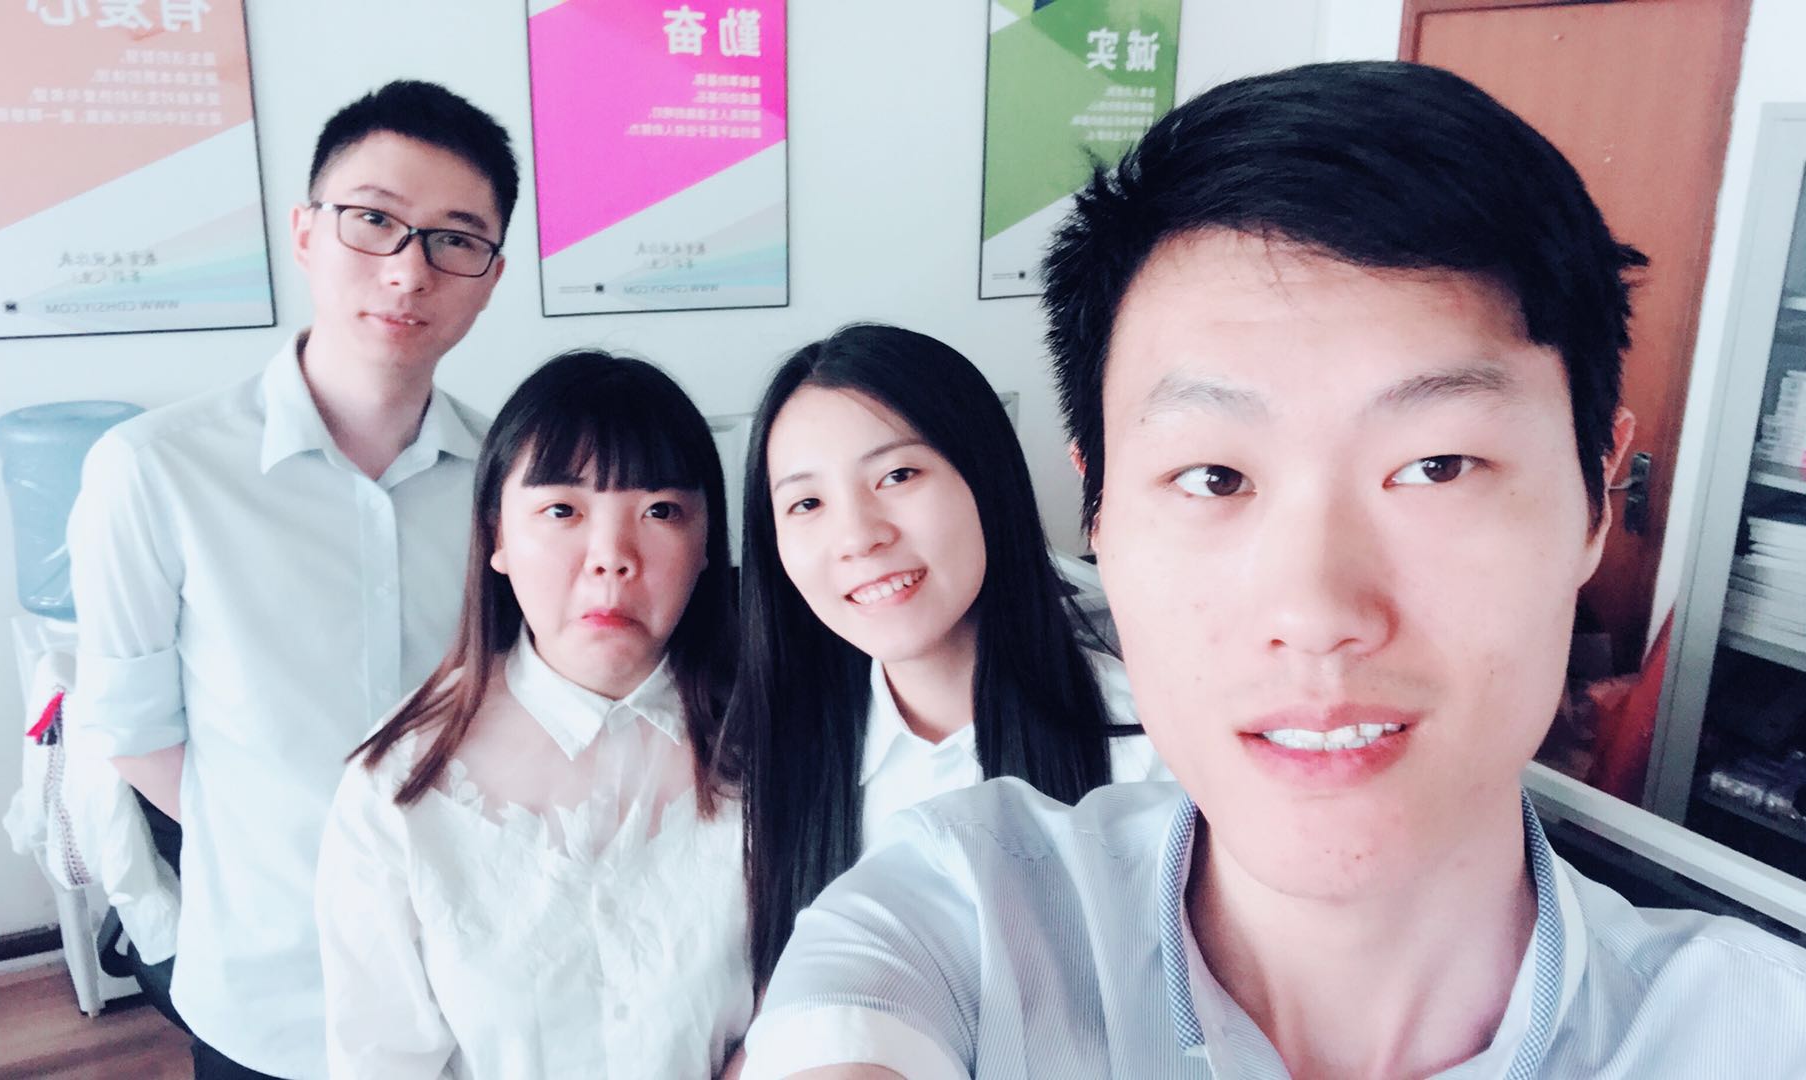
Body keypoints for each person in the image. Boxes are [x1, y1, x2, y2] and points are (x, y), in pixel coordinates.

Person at [740, 62, 1806, 1078]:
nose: (1318, 612)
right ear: (1100, 512)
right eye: (1214, 477)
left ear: (1597, 492)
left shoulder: (1785, 1042)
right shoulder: (961, 916)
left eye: (1436, 466)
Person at [67, 80, 518, 1078]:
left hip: (474, 985)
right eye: (374, 221)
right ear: (307, 232)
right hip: (272, 990)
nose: (408, 270)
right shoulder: (155, 469)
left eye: (454, 240)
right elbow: (134, 735)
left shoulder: (513, 480)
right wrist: (311, 855)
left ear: (490, 277)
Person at [316, 351, 749, 1078]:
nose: (611, 557)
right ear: (498, 537)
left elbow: (818, 1001)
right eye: (562, 511)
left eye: (660, 511)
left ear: (707, 541)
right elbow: (380, 1060)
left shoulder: (779, 744)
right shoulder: (399, 781)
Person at [728, 323, 1164, 986]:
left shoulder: (1148, 742)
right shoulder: (764, 765)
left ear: (985, 477)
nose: (858, 537)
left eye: (897, 475)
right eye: (806, 502)